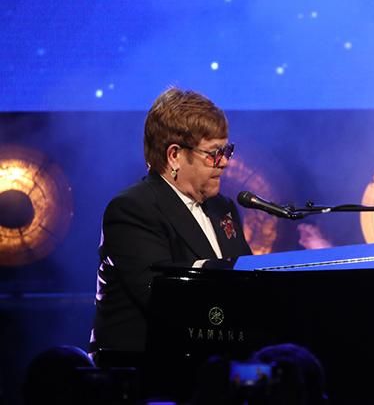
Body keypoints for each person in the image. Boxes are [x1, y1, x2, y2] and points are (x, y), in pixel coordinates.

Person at [90, 87, 252, 357]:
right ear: (174, 155)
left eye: (226, 150)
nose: (224, 162)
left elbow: (247, 283)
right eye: (213, 153)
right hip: (142, 369)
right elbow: (161, 296)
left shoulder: (222, 208)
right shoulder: (133, 209)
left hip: (214, 360)